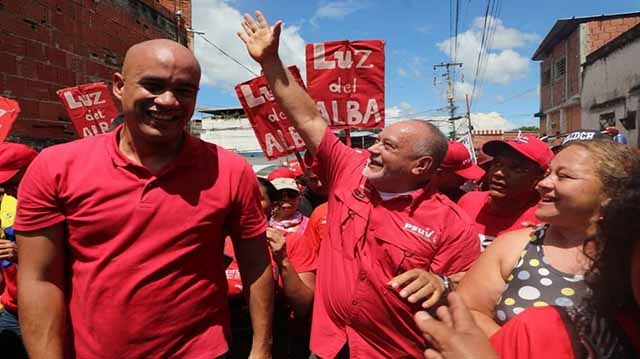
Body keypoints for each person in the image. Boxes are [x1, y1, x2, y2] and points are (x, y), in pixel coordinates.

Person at [239, 11, 480, 358]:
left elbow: (472, 289)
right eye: (379, 140)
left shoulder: (451, 225)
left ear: (422, 165)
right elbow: (307, 117)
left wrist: (442, 283)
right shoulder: (348, 167)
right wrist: (271, 61)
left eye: (389, 146)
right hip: (328, 344)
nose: (374, 149)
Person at [14, 39, 274, 359]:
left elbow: (256, 264)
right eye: (153, 85)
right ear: (119, 86)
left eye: (184, 90)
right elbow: (39, 279)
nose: (168, 101)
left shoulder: (231, 170)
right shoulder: (55, 167)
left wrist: (262, 349)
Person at [416, 143, 640, 358]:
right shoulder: (515, 246)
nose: (543, 184)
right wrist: (527, 346)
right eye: (549, 173)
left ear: (613, 193)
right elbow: (469, 311)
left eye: (563, 176)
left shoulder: (631, 254)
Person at [457, 134, 553, 249]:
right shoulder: (469, 201)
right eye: (497, 163)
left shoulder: (546, 219)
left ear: (538, 178)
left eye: (516, 169)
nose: (499, 173)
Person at [0, 143, 38, 359]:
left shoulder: (60, 202)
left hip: (45, 308)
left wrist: (21, 255)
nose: (9, 191)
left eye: (14, 182)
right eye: (5, 186)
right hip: (12, 307)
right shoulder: (8, 202)